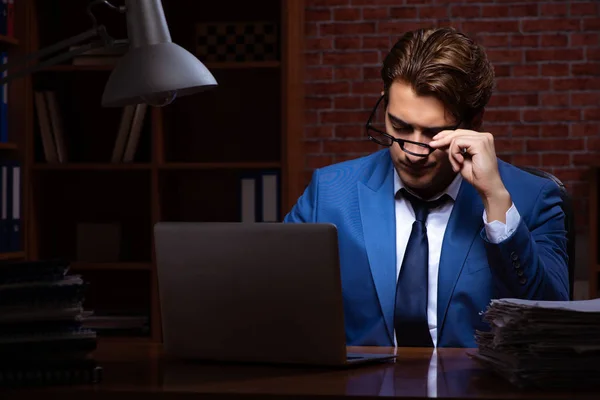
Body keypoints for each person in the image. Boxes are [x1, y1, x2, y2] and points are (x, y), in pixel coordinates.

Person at [283, 27, 569, 348]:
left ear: (473, 125)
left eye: (433, 134)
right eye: (400, 126)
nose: (413, 152)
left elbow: (551, 328)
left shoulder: (534, 199)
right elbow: (271, 299)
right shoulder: (330, 193)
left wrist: (495, 201)